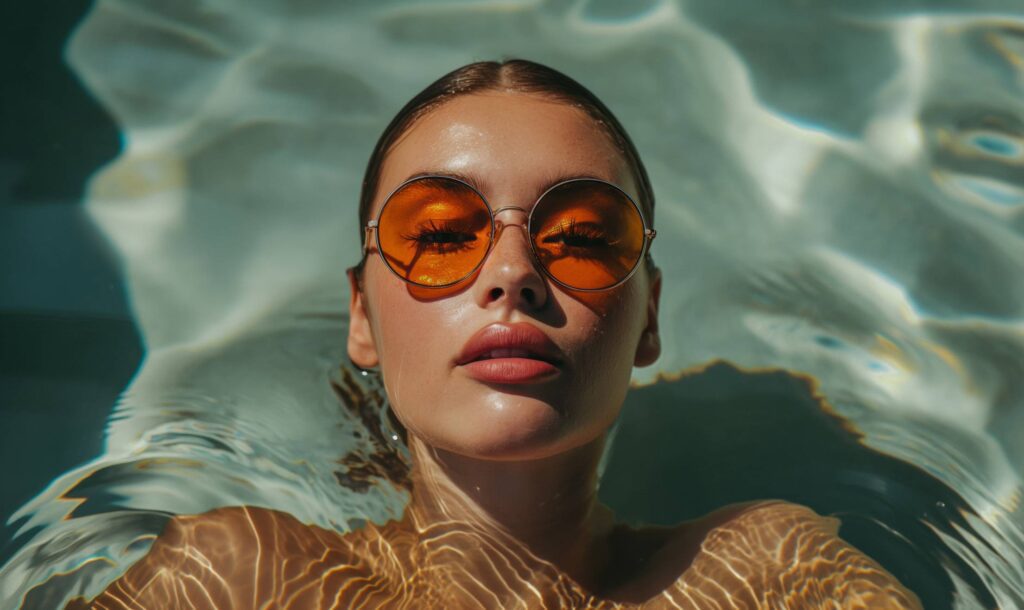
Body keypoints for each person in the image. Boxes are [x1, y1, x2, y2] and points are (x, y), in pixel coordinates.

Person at [72, 59, 922, 609]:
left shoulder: (768, 574)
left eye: (584, 237)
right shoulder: (241, 576)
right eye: (440, 234)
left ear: (650, 315)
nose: (511, 271)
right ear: (362, 316)